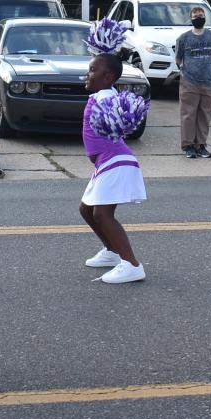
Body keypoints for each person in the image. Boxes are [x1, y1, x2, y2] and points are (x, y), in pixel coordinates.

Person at [79, 51, 147, 284]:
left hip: (115, 161)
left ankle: (132, 265)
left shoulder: (105, 96)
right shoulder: (104, 95)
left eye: (92, 70)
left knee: (103, 214)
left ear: (108, 77)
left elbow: (116, 107)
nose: (87, 75)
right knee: (86, 210)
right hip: (105, 163)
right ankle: (112, 252)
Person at [174, 5, 211, 159]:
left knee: (205, 116)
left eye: (201, 14)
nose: (198, 17)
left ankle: (201, 145)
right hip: (189, 82)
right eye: (195, 15)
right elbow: (178, 59)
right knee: (188, 115)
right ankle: (188, 146)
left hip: (209, 82)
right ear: (191, 19)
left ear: (205, 17)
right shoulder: (184, 38)